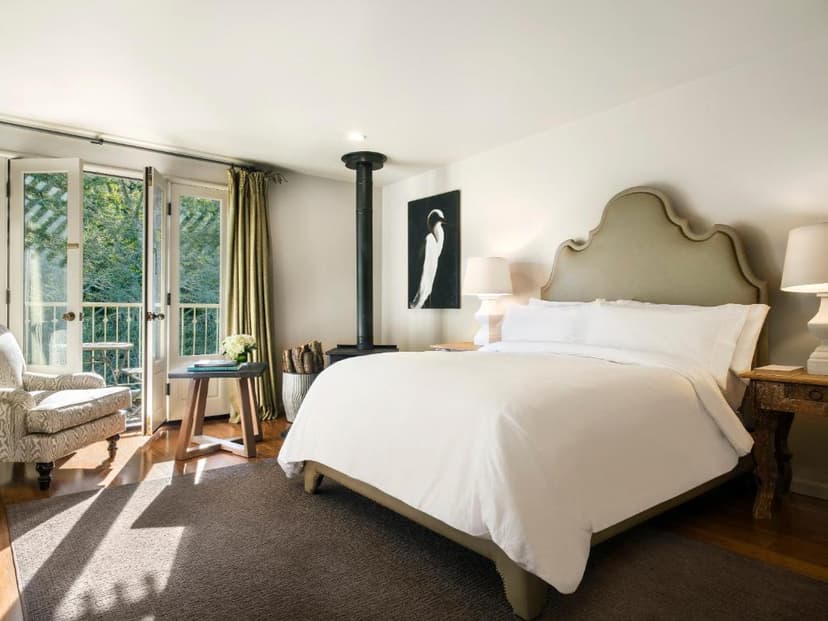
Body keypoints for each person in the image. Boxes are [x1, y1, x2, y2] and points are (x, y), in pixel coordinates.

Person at [410, 208, 446, 309]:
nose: (441, 221)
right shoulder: (430, 241)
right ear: (432, 220)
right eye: (438, 218)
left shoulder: (433, 242)